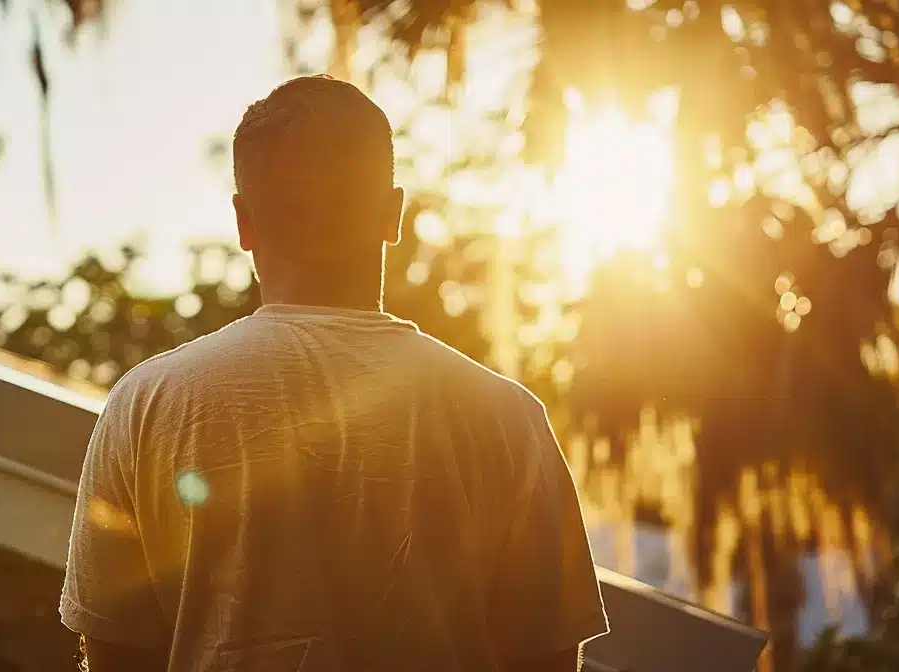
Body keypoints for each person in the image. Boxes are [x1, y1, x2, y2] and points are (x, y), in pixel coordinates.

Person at [60, 75, 607, 671]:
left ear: (243, 222)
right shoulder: (507, 418)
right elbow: (544, 661)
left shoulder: (147, 404)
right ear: (393, 214)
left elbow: (117, 655)